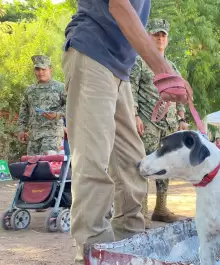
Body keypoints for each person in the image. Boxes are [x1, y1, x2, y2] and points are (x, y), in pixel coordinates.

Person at [61, 0, 192, 263]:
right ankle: (93, 251)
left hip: (121, 70)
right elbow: (119, 6)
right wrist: (164, 71)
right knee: (92, 160)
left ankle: (129, 245)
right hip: (92, 52)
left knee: (133, 163)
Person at [130, 18, 188, 227]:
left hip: (170, 124)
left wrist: (181, 118)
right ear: (148, 37)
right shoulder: (139, 62)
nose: (160, 38)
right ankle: (142, 212)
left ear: (167, 39)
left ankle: (161, 208)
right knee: (145, 166)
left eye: (163, 35)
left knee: (166, 165)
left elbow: (181, 93)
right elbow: (130, 90)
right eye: (156, 35)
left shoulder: (171, 66)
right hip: (147, 122)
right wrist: (134, 115)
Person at [18, 55, 66, 156]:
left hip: (52, 135)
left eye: (43, 69)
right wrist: (21, 129)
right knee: (32, 167)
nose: (40, 72)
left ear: (50, 70)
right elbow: (24, 111)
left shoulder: (60, 88)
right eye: (37, 69)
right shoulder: (30, 90)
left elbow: (71, 107)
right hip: (34, 136)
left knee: (47, 165)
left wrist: (57, 114)